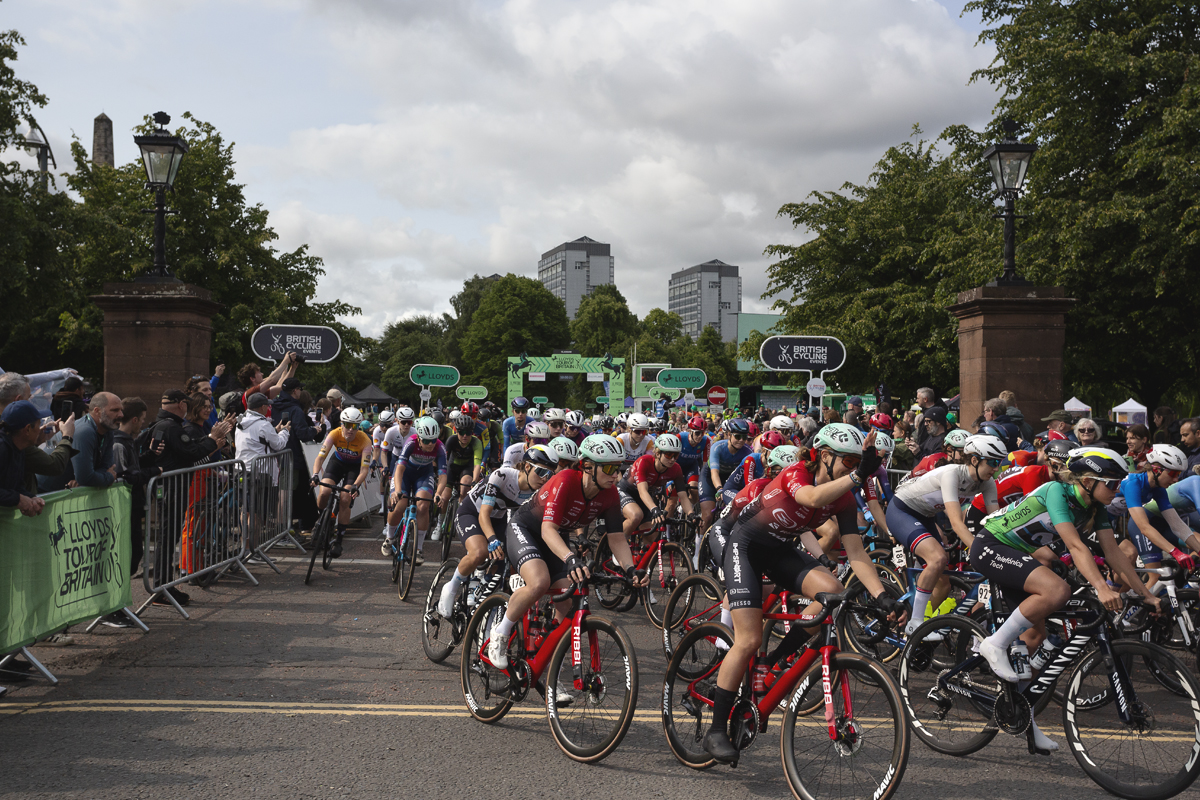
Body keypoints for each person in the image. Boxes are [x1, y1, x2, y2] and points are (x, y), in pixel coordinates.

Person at [702, 424, 895, 763]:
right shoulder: (796, 473)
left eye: (857, 464)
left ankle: (772, 663)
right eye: (848, 462)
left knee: (833, 594)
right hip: (744, 547)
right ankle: (716, 729)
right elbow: (812, 498)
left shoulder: (845, 498)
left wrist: (881, 595)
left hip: (778, 550)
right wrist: (858, 475)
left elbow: (857, 554)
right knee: (747, 639)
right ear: (823, 456)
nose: (854, 470)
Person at [970, 447, 1159, 752]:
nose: (1116, 489)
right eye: (1110, 483)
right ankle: (993, 643)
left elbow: (1113, 554)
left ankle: (1024, 718)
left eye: (1118, 483)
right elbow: (1075, 545)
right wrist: (1101, 587)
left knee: (1035, 637)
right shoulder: (1057, 491)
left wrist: (1145, 592)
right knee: (1058, 591)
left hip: (1021, 555)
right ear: (1087, 480)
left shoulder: (1095, 508)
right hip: (990, 545)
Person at [487, 435, 644, 684]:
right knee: (539, 582)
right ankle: (501, 632)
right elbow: (548, 529)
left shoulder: (610, 493)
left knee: (569, 601)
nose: (617, 475)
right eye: (611, 467)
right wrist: (570, 558)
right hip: (527, 529)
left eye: (620, 468)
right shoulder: (566, 480)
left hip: (554, 537)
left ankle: (549, 670)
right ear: (588, 466)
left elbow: (616, 537)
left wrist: (630, 569)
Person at [886, 434, 1006, 636]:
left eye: (999, 463)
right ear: (974, 460)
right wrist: (980, 554)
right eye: (993, 462)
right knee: (938, 558)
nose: (996, 468)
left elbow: (995, 521)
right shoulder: (952, 474)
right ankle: (915, 623)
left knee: (943, 583)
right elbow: (956, 523)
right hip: (902, 511)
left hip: (925, 516)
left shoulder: (987, 482)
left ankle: (922, 617)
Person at [437, 445, 558, 617]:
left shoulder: (539, 490)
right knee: (480, 551)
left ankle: (484, 597)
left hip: (498, 518)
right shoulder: (503, 475)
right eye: (541, 472)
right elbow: (484, 514)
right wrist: (492, 539)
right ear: (527, 466)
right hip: (472, 513)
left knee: (502, 565)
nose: (545, 479)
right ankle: (450, 588)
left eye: (550, 474)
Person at [105, 397, 161, 628]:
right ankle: (112, 608)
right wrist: (153, 470)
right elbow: (126, 475)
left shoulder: (129, 442)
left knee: (134, 554)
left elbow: (133, 468)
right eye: (144, 420)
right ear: (135, 419)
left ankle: (117, 605)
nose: (144, 425)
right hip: (124, 507)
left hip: (133, 505)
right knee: (126, 555)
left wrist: (148, 458)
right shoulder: (119, 443)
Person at [1108, 444, 1197, 577]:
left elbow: (1177, 524)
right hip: (1093, 522)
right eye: (1172, 473)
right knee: (1130, 554)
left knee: (1128, 580)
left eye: (1178, 474)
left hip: (1108, 523)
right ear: (1156, 469)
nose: (1176, 479)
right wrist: (1175, 552)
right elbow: (1144, 527)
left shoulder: (1158, 489)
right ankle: (1106, 593)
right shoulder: (1133, 483)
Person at [383, 415, 448, 564]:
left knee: (424, 505)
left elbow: (443, 475)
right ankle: (390, 537)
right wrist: (397, 490)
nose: (430, 444)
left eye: (433, 440)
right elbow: (399, 470)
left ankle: (418, 549)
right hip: (405, 474)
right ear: (419, 438)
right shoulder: (411, 442)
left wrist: (438, 493)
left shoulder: (440, 447)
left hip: (423, 475)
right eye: (426, 441)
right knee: (399, 505)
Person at [310, 407, 371, 559]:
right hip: (337, 463)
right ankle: (321, 519)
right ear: (342, 424)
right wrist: (315, 475)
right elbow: (320, 458)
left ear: (359, 427)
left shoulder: (365, 440)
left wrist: (356, 485)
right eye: (347, 425)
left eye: (355, 426)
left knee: (345, 498)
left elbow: (364, 470)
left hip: (354, 469)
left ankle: (339, 540)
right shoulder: (335, 433)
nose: (350, 429)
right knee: (324, 491)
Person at [618, 433, 695, 545]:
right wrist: (654, 509)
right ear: (658, 453)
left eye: (676, 455)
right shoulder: (644, 461)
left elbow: (683, 495)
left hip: (645, 497)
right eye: (669, 455)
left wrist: (691, 514)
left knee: (652, 537)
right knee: (636, 516)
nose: (673, 459)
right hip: (626, 491)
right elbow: (642, 491)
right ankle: (618, 546)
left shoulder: (676, 469)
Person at [37, 391, 121, 493]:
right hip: (43, 493)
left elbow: (107, 467)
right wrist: (108, 478)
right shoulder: (84, 432)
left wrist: (95, 477)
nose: (121, 414)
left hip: (60, 494)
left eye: (121, 410)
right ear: (97, 411)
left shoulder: (108, 431)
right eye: (115, 410)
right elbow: (86, 478)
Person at [698, 418, 752, 530]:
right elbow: (714, 472)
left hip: (730, 480)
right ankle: (698, 546)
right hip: (710, 477)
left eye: (745, 437)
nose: (741, 440)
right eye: (737, 436)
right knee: (708, 516)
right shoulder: (717, 447)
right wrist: (719, 489)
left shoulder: (748, 452)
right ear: (728, 434)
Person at [0, 401, 47, 517]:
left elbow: (16, 486)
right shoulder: (2, 449)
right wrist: (18, 499)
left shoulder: (19, 448)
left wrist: (31, 498)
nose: (40, 429)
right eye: (38, 424)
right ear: (27, 430)